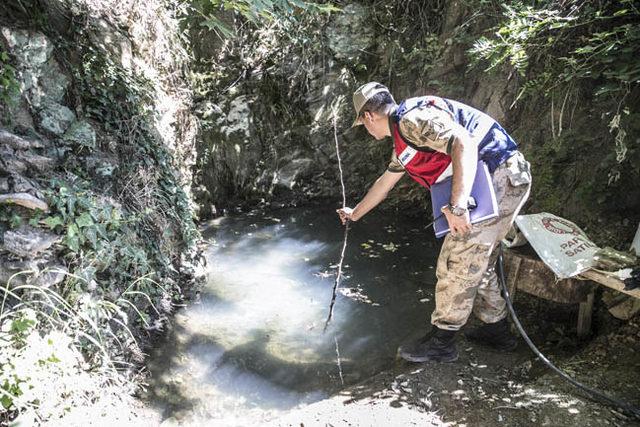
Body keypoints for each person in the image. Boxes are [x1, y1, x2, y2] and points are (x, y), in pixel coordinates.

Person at [337, 82, 532, 363]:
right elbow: (385, 184)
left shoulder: (411, 121)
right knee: (480, 259)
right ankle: (497, 331)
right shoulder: (405, 138)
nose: (367, 131)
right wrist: (354, 213)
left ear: (369, 116)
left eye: (364, 124)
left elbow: (462, 142)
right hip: (504, 177)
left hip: (500, 176)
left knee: (458, 259)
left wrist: (458, 205)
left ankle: (442, 342)